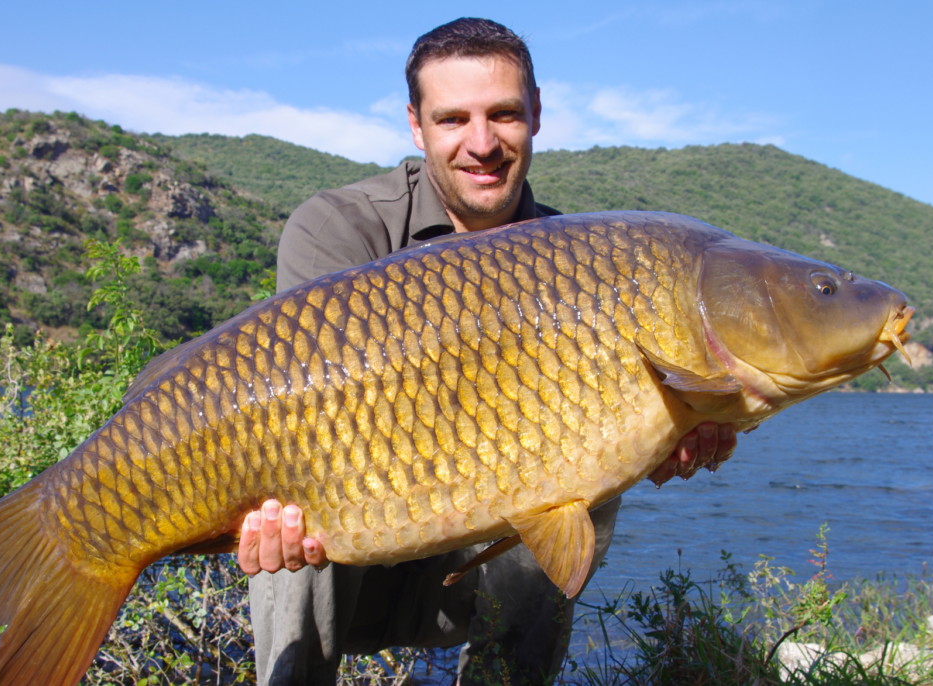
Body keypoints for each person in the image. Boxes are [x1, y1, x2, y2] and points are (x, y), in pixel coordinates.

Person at [236, 17, 737, 685]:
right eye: (452, 120)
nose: (482, 143)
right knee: (300, 497)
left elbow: (630, 421)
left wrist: (667, 436)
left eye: (503, 114)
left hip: (474, 581)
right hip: (353, 552)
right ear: (417, 126)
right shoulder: (338, 230)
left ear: (536, 114)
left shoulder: (589, 262)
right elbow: (298, 407)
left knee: (570, 486)